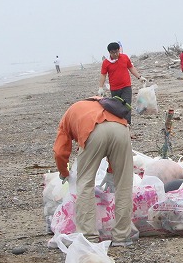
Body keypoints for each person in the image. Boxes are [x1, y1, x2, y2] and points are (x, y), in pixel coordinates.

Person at [53, 98, 134, 246]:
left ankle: (88, 237)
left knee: (85, 183)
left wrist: (64, 172)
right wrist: (111, 171)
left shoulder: (69, 115)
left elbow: (60, 152)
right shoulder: (102, 103)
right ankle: (122, 237)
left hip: (93, 129)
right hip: (122, 129)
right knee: (124, 183)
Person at [98, 42, 146, 112]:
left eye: (116, 52)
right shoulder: (106, 62)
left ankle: (127, 122)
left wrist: (139, 77)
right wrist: (100, 87)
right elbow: (103, 75)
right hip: (114, 89)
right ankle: (119, 122)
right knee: (116, 107)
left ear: (119, 50)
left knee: (126, 106)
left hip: (126, 87)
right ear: (109, 52)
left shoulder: (124, 57)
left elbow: (131, 68)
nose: (115, 54)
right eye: (112, 52)